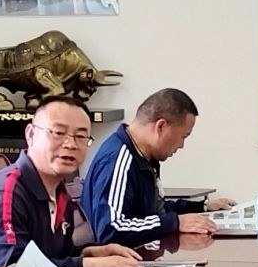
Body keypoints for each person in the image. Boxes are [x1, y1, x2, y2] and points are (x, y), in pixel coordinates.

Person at [0, 97, 143, 267]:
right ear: (30, 135)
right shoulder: (7, 191)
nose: (71, 144)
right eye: (58, 133)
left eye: (80, 136)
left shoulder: (58, 190)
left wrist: (91, 253)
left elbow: (54, 256)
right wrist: (90, 265)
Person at [80, 88, 233, 248]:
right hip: (121, 261)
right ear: (161, 127)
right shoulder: (118, 159)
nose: (181, 145)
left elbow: (155, 211)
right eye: (183, 136)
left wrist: (202, 207)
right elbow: (110, 230)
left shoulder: (144, 157)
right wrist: (174, 223)